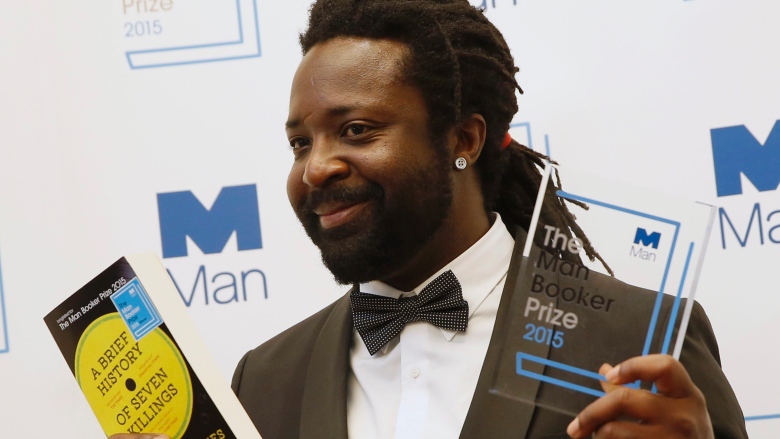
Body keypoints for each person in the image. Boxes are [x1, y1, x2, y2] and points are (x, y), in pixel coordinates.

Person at [112, 0, 748, 438]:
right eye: (300, 144)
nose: (316, 169)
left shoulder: (641, 339)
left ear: (463, 139)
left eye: (356, 130)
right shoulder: (264, 381)